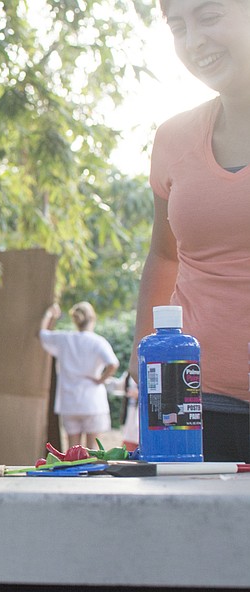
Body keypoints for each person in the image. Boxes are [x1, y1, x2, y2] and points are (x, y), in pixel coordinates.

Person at [130, 0, 250, 461]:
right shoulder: (174, 138)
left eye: (210, 17)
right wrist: (145, 360)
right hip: (193, 400)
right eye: (178, 26)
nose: (194, 40)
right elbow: (164, 254)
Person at [39, 302, 120, 449]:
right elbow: (113, 364)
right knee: (93, 451)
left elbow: (43, 335)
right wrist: (100, 380)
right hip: (92, 402)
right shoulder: (98, 342)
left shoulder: (64, 339)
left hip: (69, 402)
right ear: (93, 318)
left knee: (73, 451)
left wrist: (50, 315)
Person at [119, 373, 139, 453]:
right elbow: (121, 385)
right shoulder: (128, 374)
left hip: (142, 410)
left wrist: (140, 394)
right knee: (129, 436)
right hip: (131, 409)